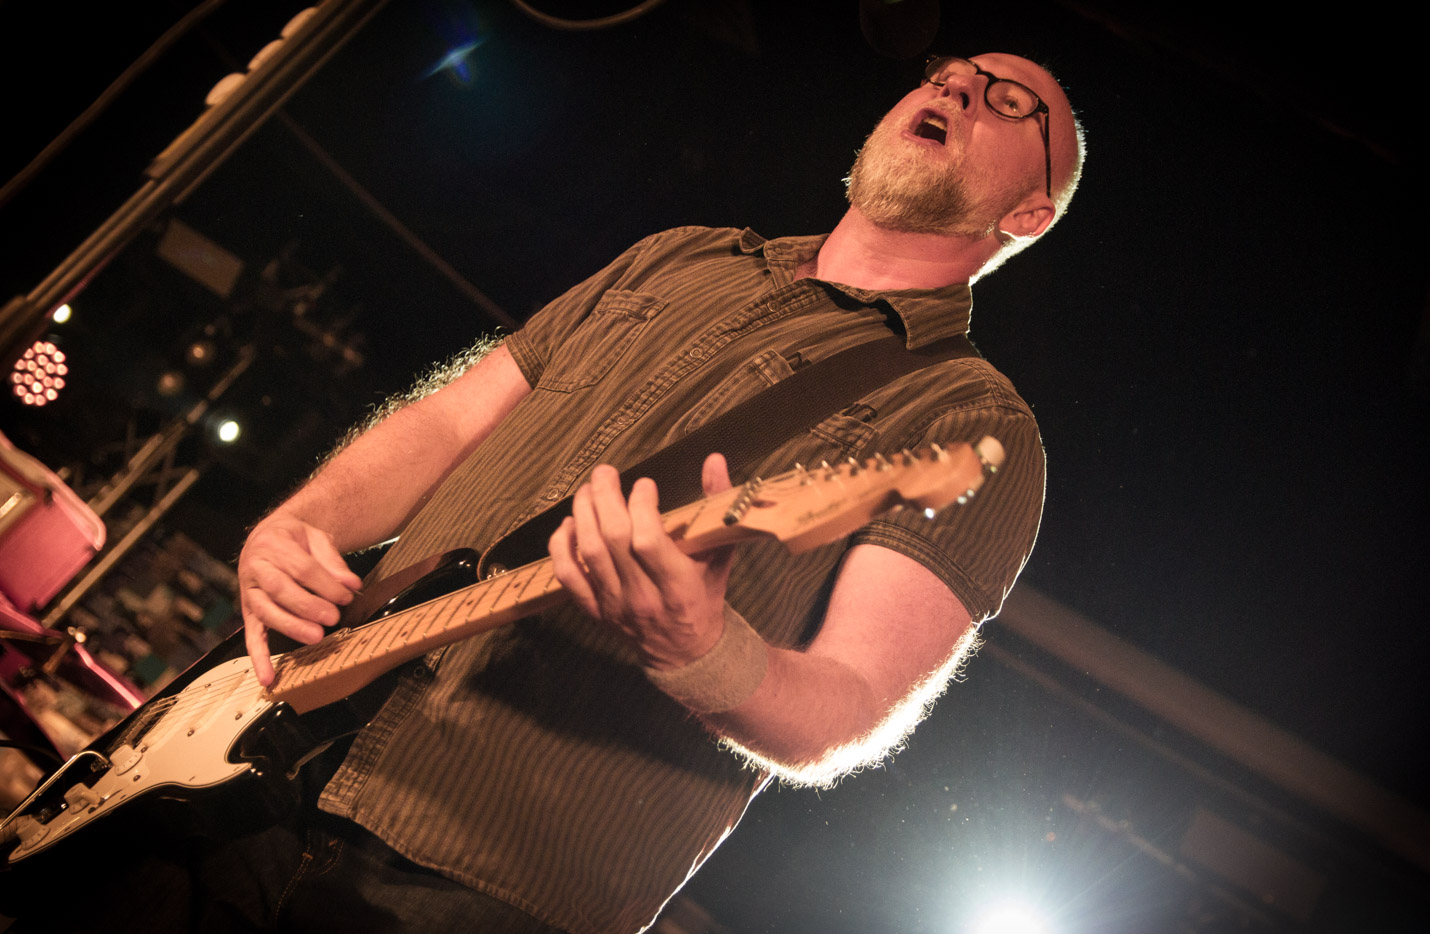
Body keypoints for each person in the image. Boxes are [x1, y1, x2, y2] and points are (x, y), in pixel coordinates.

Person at [6, 53, 1082, 934]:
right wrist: (301, 522)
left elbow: (844, 708)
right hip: (264, 745)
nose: (953, 90)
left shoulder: (973, 422)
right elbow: (449, 419)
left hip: (477, 884)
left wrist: (703, 644)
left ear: (1029, 215)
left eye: (1008, 104)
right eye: (948, 73)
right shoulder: (684, 256)